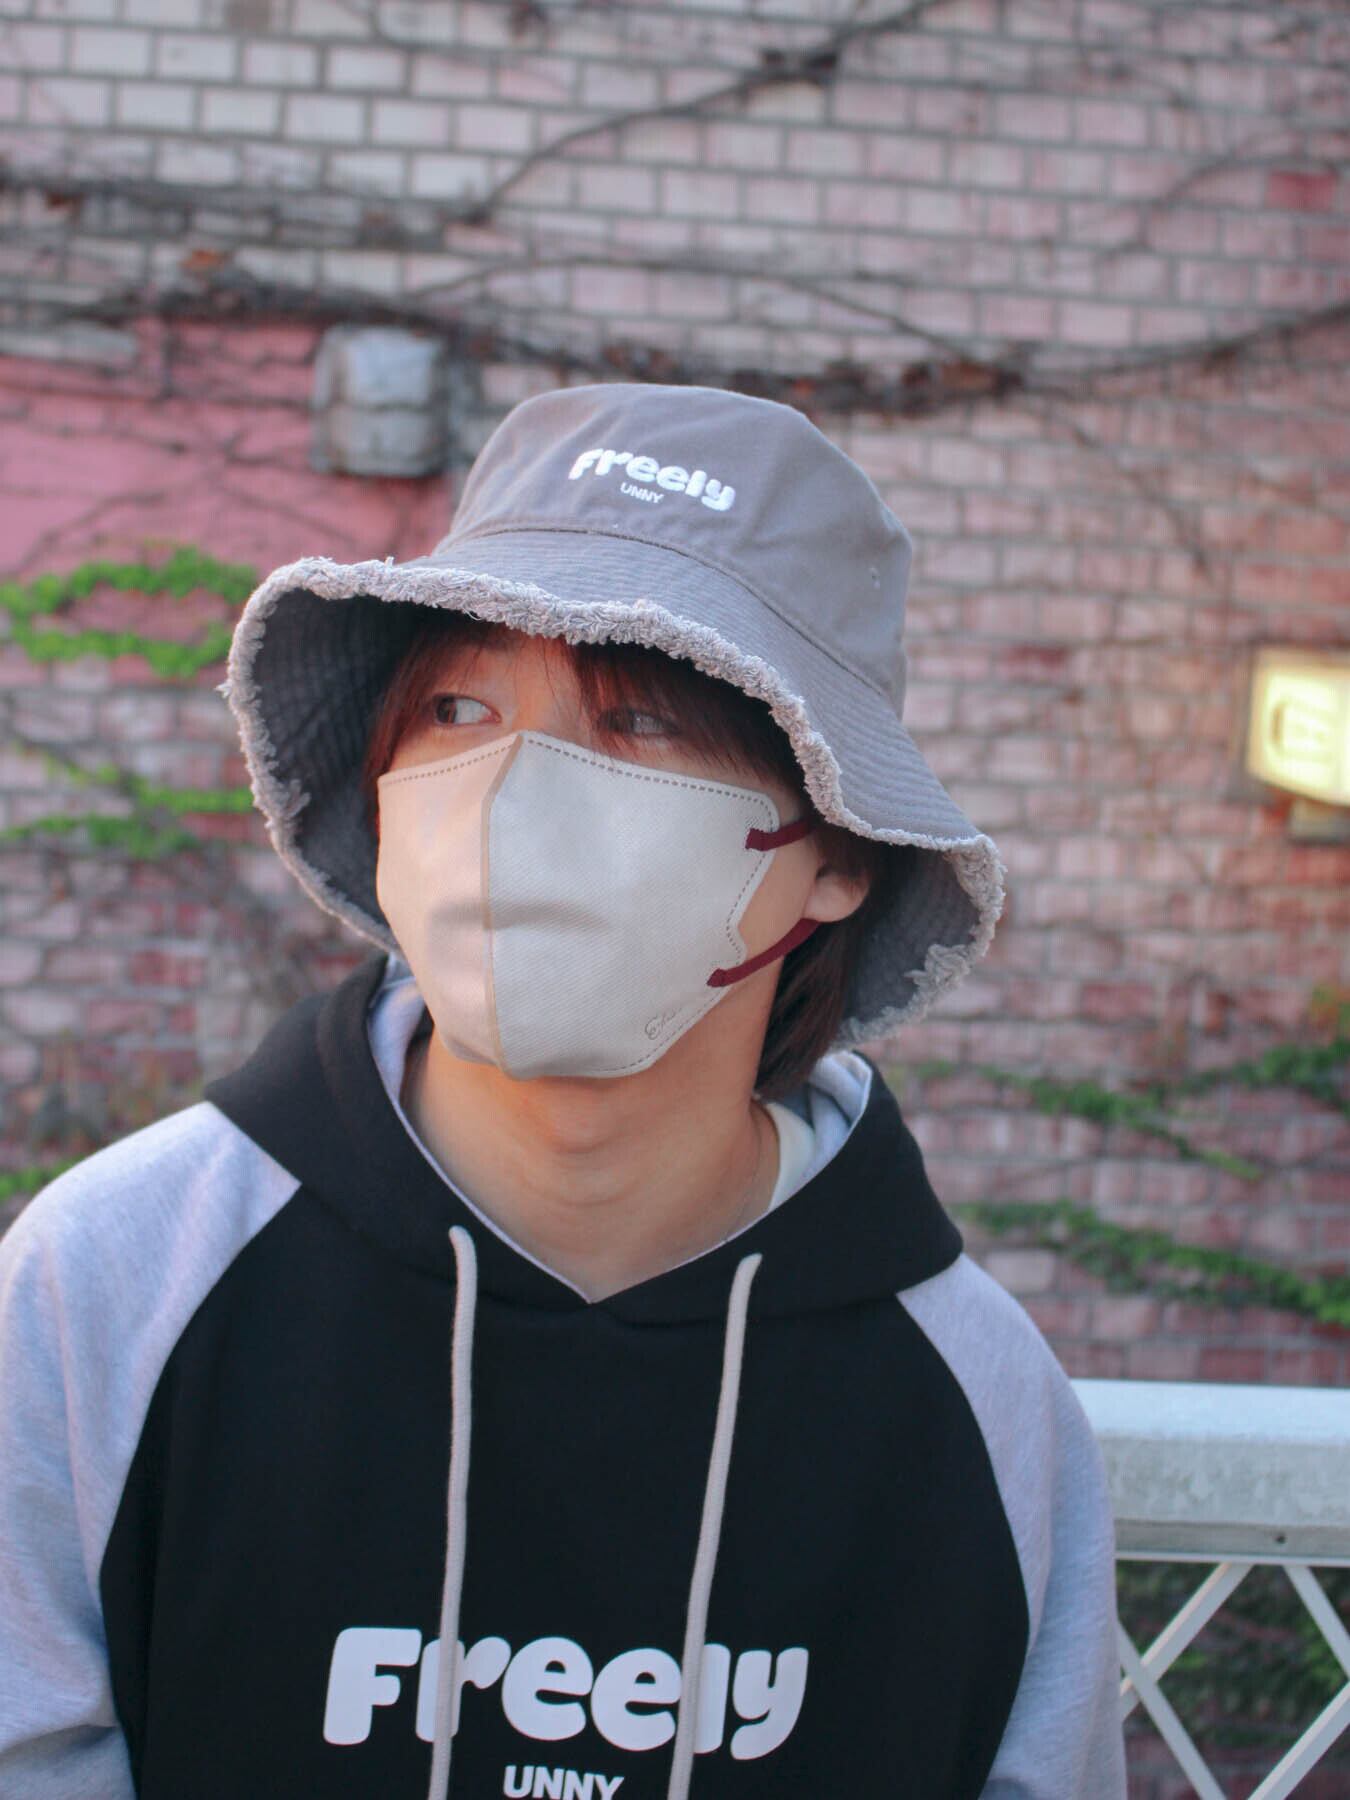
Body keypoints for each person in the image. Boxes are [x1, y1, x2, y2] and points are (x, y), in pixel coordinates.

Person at [0, 382, 1128, 1798]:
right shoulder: (112, 1286)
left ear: (836, 856)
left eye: (638, 720)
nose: (508, 795)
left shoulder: (978, 1406)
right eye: (457, 708)